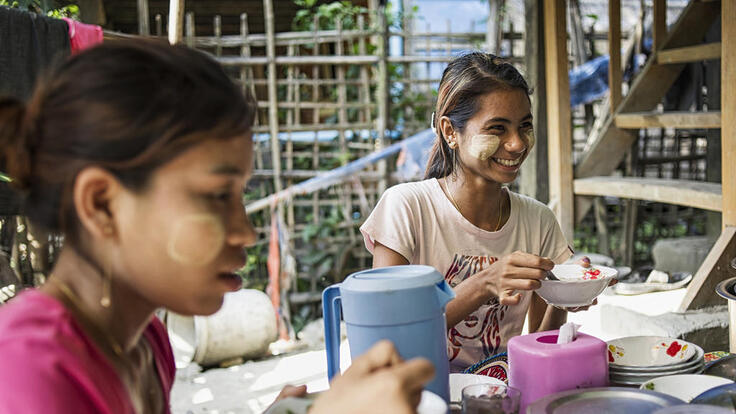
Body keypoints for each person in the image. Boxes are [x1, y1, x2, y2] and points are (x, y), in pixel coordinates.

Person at [0, 40, 433, 414]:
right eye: (216, 196)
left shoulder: (144, 340)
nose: (246, 232)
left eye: (239, 196)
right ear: (101, 204)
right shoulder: (28, 366)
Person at [361, 52, 585, 373]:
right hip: (419, 398)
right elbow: (386, 340)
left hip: (497, 398)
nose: (517, 143)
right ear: (450, 132)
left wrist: (564, 295)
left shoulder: (538, 220)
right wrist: (485, 283)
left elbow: (539, 347)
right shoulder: (406, 209)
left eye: (525, 126)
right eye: (497, 129)